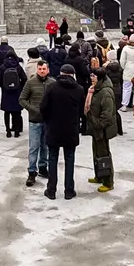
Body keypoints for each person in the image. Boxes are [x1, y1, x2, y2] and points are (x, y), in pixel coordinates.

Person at [40, 64, 85, 200]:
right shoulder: (79, 89)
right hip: (71, 129)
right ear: (73, 75)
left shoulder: (52, 87)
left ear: (60, 73)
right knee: (69, 159)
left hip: (54, 128)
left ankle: (51, 190)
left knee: (52, 158)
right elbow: (82, 109)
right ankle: (69, 190)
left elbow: (43, 107)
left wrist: (48, 120)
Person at [84, 62, 121, 192]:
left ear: (99, 78)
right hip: (96, 128)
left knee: (104, 154)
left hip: (102, 129)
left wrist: (98, 124)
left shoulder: (105, 92)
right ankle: (99, 175)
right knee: (97, 153)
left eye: (93, 76)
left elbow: (107, 114)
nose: (91, 78)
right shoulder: (95, 89)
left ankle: (108, 181)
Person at [21, 58, 53, 185]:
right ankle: (32, 171)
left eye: (44, 69)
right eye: (40, 69)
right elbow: (22, 99)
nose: (42, 71)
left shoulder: (52, 83)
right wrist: (33, 110)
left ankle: (43, 168)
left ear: (48, 70)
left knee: (45, 146)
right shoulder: (30, 83)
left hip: (48, 121)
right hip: (34, 120)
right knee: (34, 147)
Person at [0, 46, 25, 138]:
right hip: (16, 92)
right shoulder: (18, 66)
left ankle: (8, 131)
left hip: (6, 93)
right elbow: (24, 79)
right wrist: (19, 86)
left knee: (7, 112)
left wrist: (3, 86)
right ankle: (16, 131)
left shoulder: (2, 67)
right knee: (16, 112)